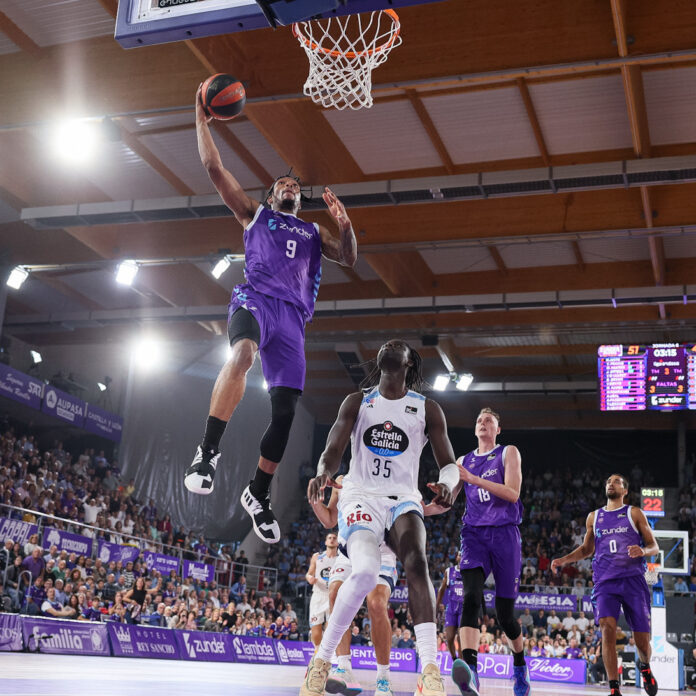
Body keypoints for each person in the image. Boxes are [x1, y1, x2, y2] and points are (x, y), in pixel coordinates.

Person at [185, 84, 358, 545]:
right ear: (271, 192)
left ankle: (258, 492)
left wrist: (345, 224)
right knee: (241, 354)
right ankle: (207, 452)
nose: (290, 187)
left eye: (296, 187)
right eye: (283, 184)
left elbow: (350, 258)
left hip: (293, 321)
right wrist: (201, 118)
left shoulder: (312, 231)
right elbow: (213, 167)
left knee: (285, 412)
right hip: (256, 300)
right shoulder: (255, 214)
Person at [300, 338, 458, 696]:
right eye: (387, 343)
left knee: (417, 561)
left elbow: (449, 464)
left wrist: (448, 484)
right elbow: (332, 449)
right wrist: (324, 471)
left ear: (408, 364)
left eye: (399, 345)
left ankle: (430, 670)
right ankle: (322, 661)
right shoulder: (359, 401)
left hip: (403, 497)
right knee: (367, 570)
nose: (391, 343)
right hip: (361, 495)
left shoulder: (426, 408)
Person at [551, 473, 660, 696]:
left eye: (617, 481)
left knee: (641, 641)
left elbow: (654, 546)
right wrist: (563, 560)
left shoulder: (634, 513)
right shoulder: (594, 517)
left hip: (633, 581)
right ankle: (614, 688)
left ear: (625, 490)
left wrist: (643, 551)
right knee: (607, 629)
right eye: (608, 481)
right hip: (605, 582)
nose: (611, 483)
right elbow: (586, 549)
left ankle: (645, 666)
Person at [451, 408, 530, 696]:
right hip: (473, 535)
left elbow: (512, 493)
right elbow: (448, 502)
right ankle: (471, 672)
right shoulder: (463, 461)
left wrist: (473, 479)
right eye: (479, 421)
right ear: (475, 430)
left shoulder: (508, 452)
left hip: (505, 535)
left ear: (498, 429)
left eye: (489, 421)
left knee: (505, 615)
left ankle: (520, 666)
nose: (483, 423)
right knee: (470, 596)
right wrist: (420, 506)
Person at [306, 532, 339, 652]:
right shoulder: (317, 556)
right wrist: (309, 578)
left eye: (334, 538)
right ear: (325, 542)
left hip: (333, 596)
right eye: (329, 538)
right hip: (318, 595)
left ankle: (326, 653)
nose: (331, 540)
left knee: (331, 627)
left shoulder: (341, 559)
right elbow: (309, 573)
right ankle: (317, 652)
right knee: (315, 626)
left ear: (338, 542)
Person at [436, 551, 464, 661]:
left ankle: (461, 662)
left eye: (463, 555)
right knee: (450, 638)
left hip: (464, 608)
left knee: (461, 638)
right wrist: (437, 605)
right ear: (457, 558)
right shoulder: (449, 571)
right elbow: (442, 589)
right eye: (459, 555)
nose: (461, 557)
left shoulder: (469, 572)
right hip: (451, 608)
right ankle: (454, 660)